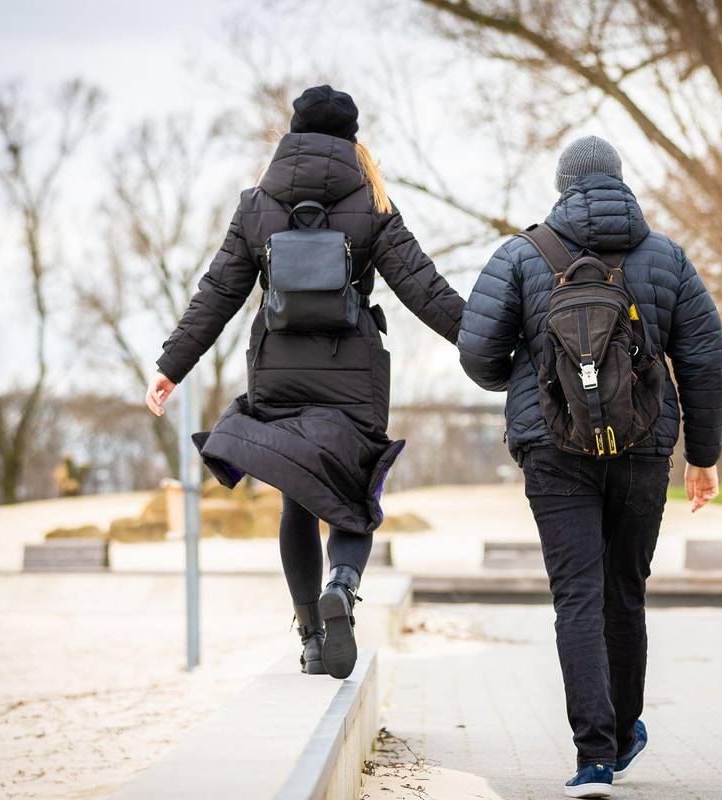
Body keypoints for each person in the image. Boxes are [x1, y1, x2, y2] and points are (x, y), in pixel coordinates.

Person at [145, 86, 464, 679]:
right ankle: (342, 586)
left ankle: (312, 639)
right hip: (353, 376)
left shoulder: (257, 204)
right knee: (352, 494)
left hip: (279, 375)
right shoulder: (373, 203)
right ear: (352, 140)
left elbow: (218, 293)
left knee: (298, 494)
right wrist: (489, 344)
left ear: (291, 135)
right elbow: (425, 289)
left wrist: (171, 366)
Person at [457, 135, 722, 798]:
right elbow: (704, 358)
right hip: (641, 446)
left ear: (562, 186)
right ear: (619, 182)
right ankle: (628, 727)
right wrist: (703, 455)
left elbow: (477, 352)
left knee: (576, 593)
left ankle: (593, 757)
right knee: (624, 592)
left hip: (553, 447)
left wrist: (529, 377)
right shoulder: (665, 257)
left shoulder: (522, 254)